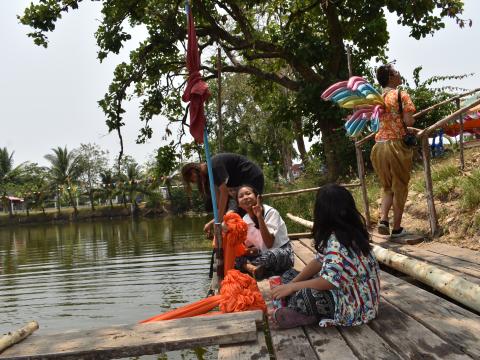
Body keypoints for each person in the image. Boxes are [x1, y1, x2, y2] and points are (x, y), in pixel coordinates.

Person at [270, 184, 380, 329]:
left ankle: (305, 314)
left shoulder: (337, 241)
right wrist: (290, 285)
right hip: (355, 295)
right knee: (289, 275)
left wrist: (293, 288)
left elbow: (329, 282)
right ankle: (301, 311)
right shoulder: (349, 231)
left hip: (354, 307)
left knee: (307, 295)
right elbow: (318, 261)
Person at [371, 63, 416, 238]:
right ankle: (396, 229)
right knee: (400, 186)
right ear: (390, 77)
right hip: (396, 145)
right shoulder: (401, 95)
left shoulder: (376, 98)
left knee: (387, 186)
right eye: (396, 72)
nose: (399, 74)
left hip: (379, 146)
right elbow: (409, 121)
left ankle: (383, 220)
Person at [181, 153, 264, 234]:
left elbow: (224, 193)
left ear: (194, 171)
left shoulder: (213, 167)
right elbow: (220, 202)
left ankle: (257, 233)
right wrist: (216, 220)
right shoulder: (209, 176)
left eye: (194, 178)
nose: (197, 181)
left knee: (244, 207)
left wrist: (220, 220)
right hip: (238, 184)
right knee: (232, 210)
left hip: (251, 175)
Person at [235, 185, 294, 280]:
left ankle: (249, 267)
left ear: (257, 196)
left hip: (280, 253)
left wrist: (259, 217)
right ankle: (253, 268)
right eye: (241, 196)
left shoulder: (271, 212)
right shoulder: (244, 220)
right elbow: (248, 247)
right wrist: (250, 251)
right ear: (239, 204)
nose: (245, 197)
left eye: (248, 193)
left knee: (272, 255)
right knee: (235, 256)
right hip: (261, 255)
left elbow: (269, 243)